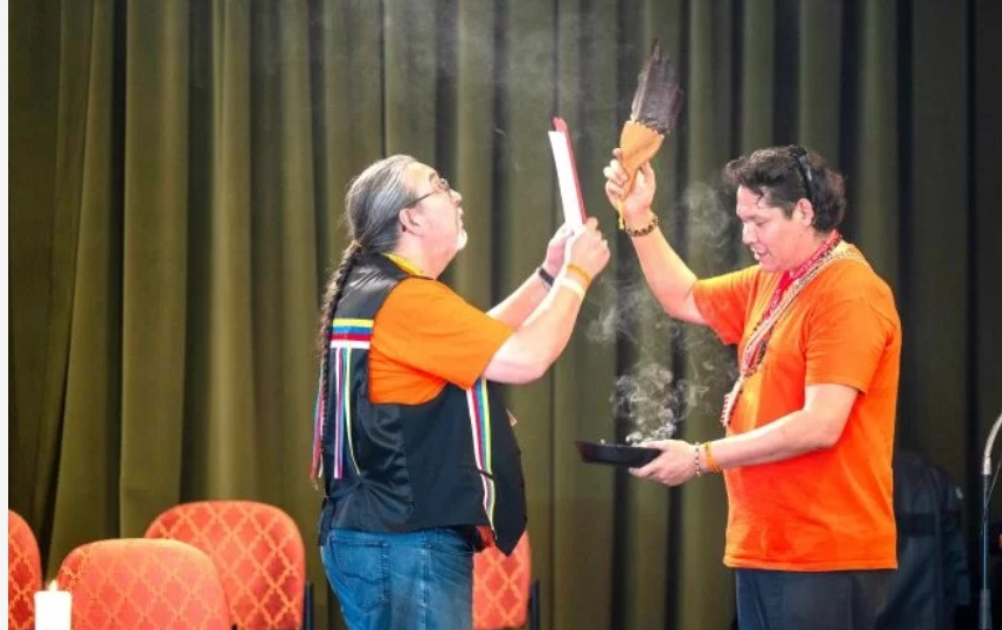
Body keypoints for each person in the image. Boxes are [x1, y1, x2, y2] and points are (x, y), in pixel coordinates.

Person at [603, 145, 901, 630]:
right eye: (742, 221)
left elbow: (821, 425)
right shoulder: (776, 278)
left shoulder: (850, 291)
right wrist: (638, 216)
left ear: (804, 212)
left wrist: (701, 457)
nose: (747, 237)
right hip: (765, 543)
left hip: (823, 551)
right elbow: (683, 296)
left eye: (759, 222)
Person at [312, 154, 609, 630]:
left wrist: (548, 276)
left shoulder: (379, 287)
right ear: (410, 217)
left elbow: (479, 342)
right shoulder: (408, 298)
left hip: (379, 535)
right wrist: (577, 277)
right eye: (439, 185)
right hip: (405, 541)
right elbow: (526, 357)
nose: (456, 195)